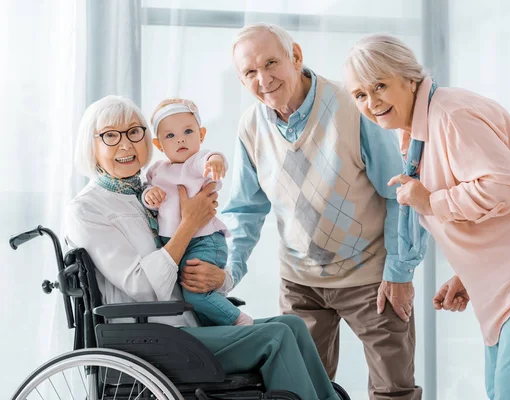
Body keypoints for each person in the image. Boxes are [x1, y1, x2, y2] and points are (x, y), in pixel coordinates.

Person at [179, 23, 426, 400]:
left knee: (394, 391)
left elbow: (399, 195)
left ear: (295, 56)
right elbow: (245, 210)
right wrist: (228, 274)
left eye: (271, 62)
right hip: (301, 283)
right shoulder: (251, 126)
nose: (263, 79)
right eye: (249, 72)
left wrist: (400, 271)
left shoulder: (351, 106)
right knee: (300, 392)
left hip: (373, 280)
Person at [343, 34, 510, 400]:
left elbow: (508, 185)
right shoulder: (419, 126)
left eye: (379, 85)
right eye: (360, 95)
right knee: (502, 389)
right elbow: (485, 200)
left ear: (408, 77)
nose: (371, 102)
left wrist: (430, 201)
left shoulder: (449, 116)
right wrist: (470, 271)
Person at [63, 95, 339, 400]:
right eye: (111, 136)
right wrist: (190, 223)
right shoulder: (87, 209)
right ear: (92, 145)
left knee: (293, 326)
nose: (126, 145)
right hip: (149, 340)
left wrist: (219, 278)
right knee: (276, 338)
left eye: (134, 132)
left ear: (148, 140)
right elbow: (141, 286)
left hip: (184, 323)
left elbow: (191, 258)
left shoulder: (147, 192)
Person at [142, 98, 252, 327]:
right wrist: (149, 196)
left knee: (195, 293)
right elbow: (148, 195)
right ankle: (216, 326)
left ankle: (238, 320)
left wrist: (216, 162)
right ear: (159, 144)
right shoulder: (156, 171)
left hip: (204, 241)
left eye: (188, 131)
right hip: (175, 244)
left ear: (201, 135)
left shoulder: (195, 162)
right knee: (189, 296)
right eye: (170, 136)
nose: (180, 139)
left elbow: (211, 157)